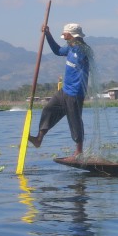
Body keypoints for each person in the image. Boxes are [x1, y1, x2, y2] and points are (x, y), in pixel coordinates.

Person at [28, 23, 91, 157]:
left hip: (76, 92)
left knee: (74, 120)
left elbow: (87, 57)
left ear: (72, 35)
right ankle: (39, 139)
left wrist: (79, 45)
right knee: (48, 109)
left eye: (65, 34)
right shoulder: (69, 48)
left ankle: (79, 152)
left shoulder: (83, 49)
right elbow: (57, 51)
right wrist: (48, 34)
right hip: (64, 90)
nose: (63, 36)